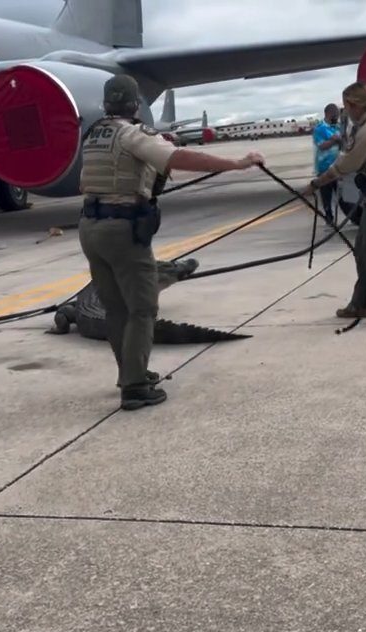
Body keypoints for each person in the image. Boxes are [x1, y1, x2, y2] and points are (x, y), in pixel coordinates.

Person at [79, 74, 263, 411]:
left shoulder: (93, 135)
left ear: (106, 104)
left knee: (116, 309)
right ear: (135, 104)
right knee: (143, 308)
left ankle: (130, 373)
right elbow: (178, 158)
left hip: (90, 227)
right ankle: (134, 388)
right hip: (121, 229)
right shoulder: (132, 134)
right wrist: (237, 164)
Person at [302, 81, 366, 327]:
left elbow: (344, 166)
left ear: (354, 105)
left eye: (347, 106)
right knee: (362, 249)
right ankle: (361, 304)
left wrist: (316, 184)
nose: (345, 111)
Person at [311, 103, 343, 224]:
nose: (337, 117)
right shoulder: (320, 129)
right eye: (335, 115)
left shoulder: (338, 127)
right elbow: (322, 146)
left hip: (339, 165)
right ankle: (328, 216)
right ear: (328, 114)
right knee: (326, 195)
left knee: (342, 194)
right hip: (324, 166)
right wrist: (333, 139)